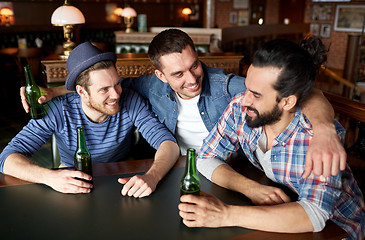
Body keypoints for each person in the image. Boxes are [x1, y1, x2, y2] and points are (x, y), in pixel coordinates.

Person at [21, 29, 346, 179]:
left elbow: (303, 91)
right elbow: (100, 91)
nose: (192, 78)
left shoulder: (227, 86)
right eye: (178, 73)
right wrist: (55, 94)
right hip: (173, 170)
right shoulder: (141, 87)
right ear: (159, 75)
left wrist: (324, 131)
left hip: (223, 170)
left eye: (195, 65)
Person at [178, 37, 365, 239]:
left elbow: (314, 215)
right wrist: (251, 189)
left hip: (338, 229)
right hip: (282, 217)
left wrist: (224, 214)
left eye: (256, 94)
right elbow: (206, 156)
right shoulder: (241, 108)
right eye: (247, 87)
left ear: (287, 102)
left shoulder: (315, 138)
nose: (244, 99)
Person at [1, 42, 180, 196]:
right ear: (81, 92)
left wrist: (153, 176)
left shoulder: (129, 99)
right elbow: (7, 159)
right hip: (73, 179)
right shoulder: (58, 110)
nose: (116, 94)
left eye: (117, 83)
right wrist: (50, 176)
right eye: (104, 89)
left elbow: (168, 144)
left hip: (121, 175)